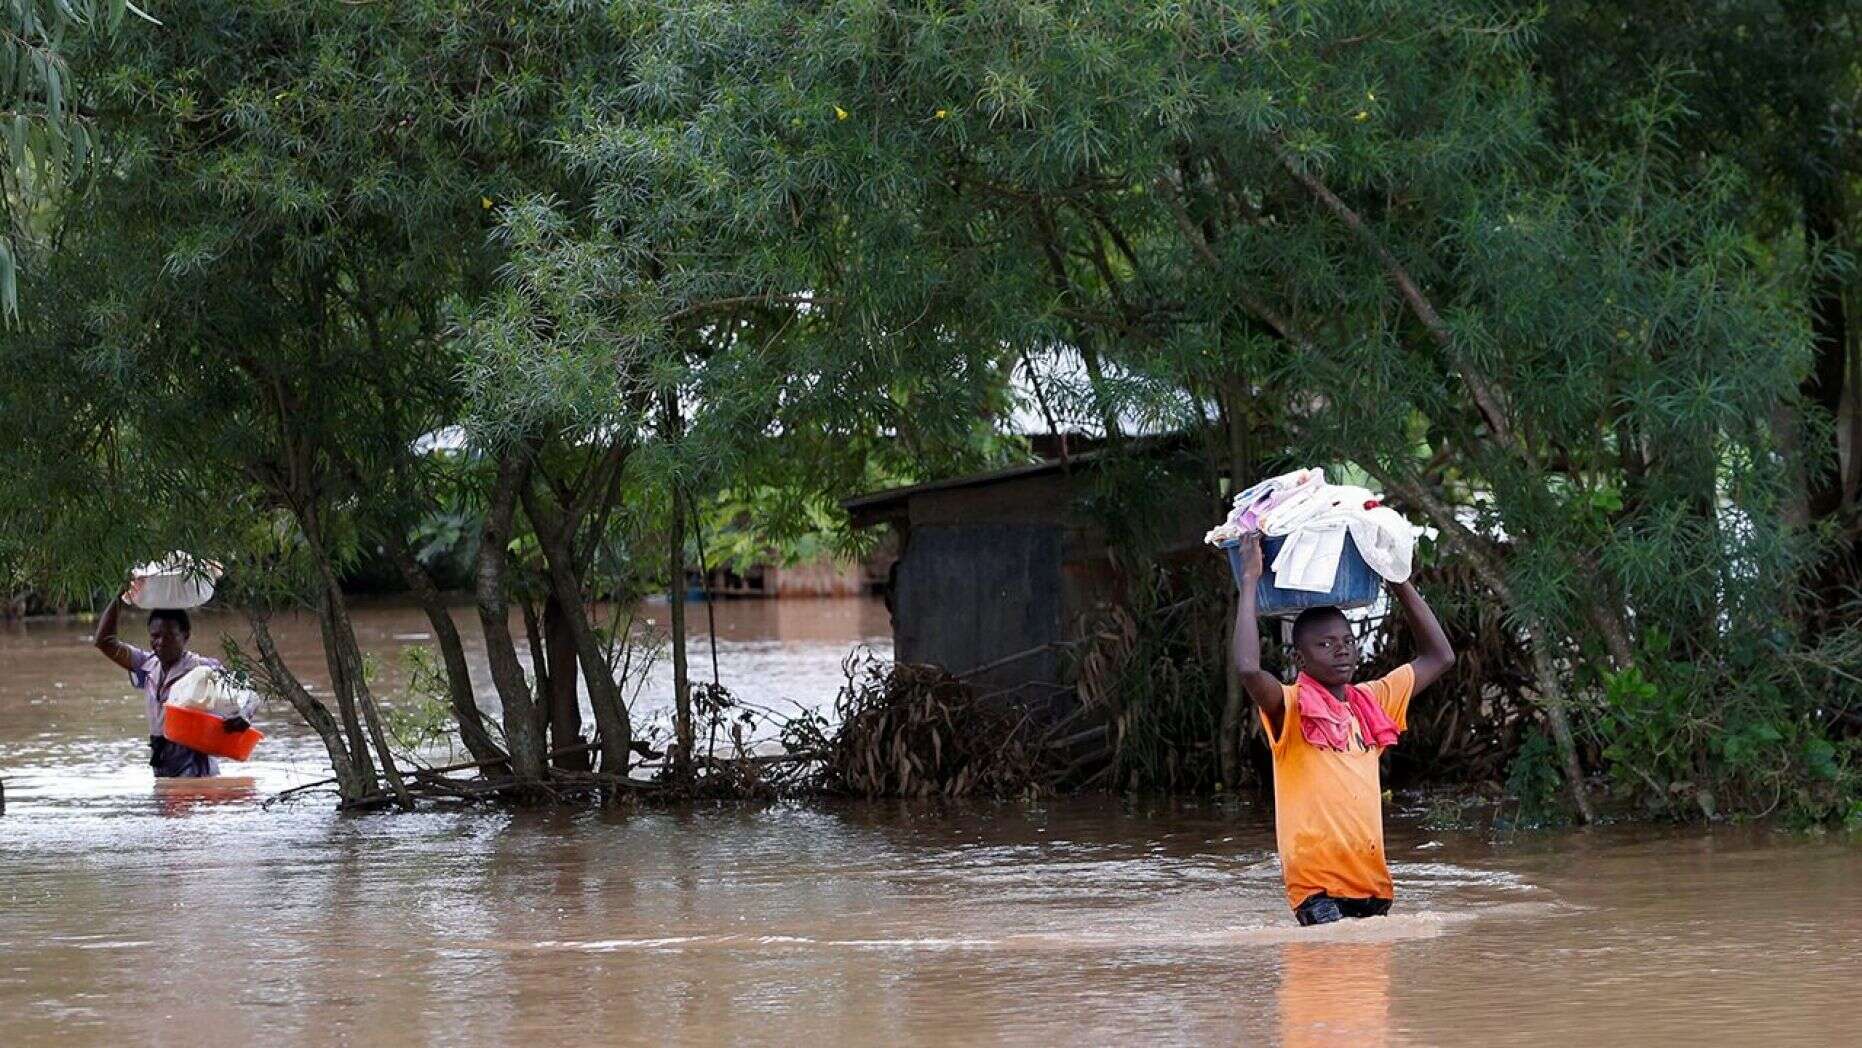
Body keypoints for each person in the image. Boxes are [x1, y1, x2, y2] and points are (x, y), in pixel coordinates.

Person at [1231, 532, 1455, 926]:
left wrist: (1397, 578)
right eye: (1326, 644)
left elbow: (1440, 656)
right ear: (1300, 657)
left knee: (1366, 987)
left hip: (1373, 885)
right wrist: (1250, 579)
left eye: (1348, 641)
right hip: (1316, 890)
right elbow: (1249, 668)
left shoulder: (1372, 701)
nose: (1342, 650)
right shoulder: (1291, 706)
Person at [93, 587, 248, 778]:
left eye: (169, 636)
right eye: (155, 636)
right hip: (161, 761)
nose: (161, 642)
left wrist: (243, 715)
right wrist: (119, 596)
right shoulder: (147, 665)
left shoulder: (202, 669)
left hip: (194, 763)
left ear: (186, 636)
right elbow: (104, 641)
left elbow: (245, 693)